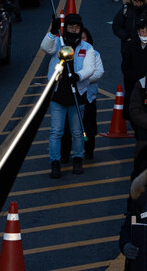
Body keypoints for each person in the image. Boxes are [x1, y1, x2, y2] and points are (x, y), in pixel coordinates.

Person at [41, 13, 104, 178]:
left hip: (78, 93)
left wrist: (77, 76)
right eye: (71, 27)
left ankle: (78, 158)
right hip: (57, 95)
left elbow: (90, 68)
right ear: (66, 28)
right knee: (56, 131)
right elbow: (45, 48)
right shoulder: (58, 42)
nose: (74, 30)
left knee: (77, 131)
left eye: (77, 28)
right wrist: (52, 32)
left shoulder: (87, 48)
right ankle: (55, 162)